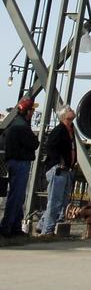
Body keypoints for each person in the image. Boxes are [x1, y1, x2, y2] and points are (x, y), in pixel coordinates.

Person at [0, 97, 38, 237]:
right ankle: (8, 227)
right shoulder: (22, 126)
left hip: (13, 162)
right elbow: (34, 144)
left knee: (18, 196)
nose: (33, 113)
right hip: (20, 163)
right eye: (32, 110)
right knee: (16, 196)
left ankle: (15, 226)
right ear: (28, 111)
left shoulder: (14, 124)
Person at [38, 104, 76, 235]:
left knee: (62, 201)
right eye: (70, 110)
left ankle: (42, 224)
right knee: (55, 200)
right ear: (64, 115)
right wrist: (58, 162)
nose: (73, 111)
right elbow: (49, 146)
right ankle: (47, 230)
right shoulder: (59, 130)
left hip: (66, 170)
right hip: (58, 170)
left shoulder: (70, 129)